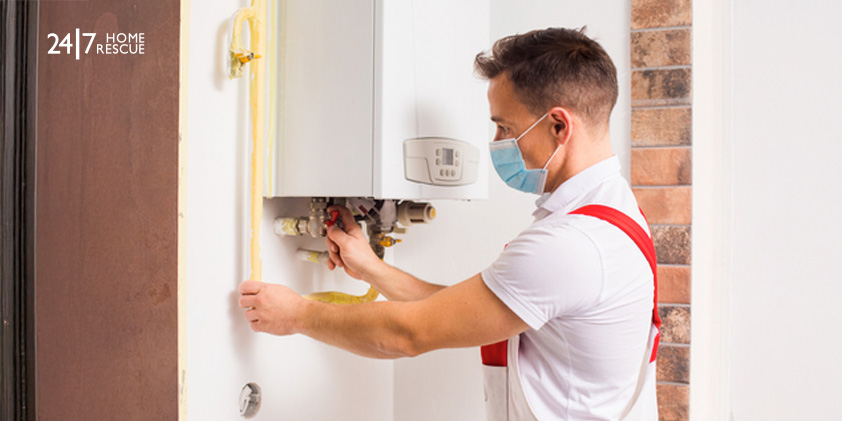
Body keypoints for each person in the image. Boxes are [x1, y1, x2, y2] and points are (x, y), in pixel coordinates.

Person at [239, 27, 659, 420]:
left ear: (558, 125)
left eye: (504, 127)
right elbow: (465, 310)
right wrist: (370, 267)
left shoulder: (571, 244)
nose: (497, 144)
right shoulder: (615, 214)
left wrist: (296, 314)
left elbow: (407, 334)